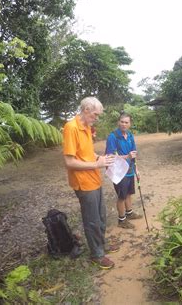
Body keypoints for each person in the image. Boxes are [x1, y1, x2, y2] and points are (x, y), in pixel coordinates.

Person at [63, 97, 118, 270]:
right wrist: (97, 164)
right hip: (84, 183)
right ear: (86, 110)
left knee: (101, 217)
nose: (96, 118)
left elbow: (86, 152)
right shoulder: (71, 128)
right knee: (92, 220)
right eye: (95, 114)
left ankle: (101, 245)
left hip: (94, 179)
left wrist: (100, 158)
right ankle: (97, 255)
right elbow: (69, 162)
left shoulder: (86, 127)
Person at [105, 112, 142, 229]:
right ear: (118, 122)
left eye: (126, 122)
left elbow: (134, 154)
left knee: (129, 193)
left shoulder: (130, 135)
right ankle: (121, 220)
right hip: (119, 172)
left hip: (130, 170)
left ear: (130, 124)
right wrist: (127, 156)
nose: (124, 124)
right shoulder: (113, 137)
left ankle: (129, 213)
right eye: (122, 122)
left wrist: (136, 169)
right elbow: (110, 156)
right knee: (122, 196)